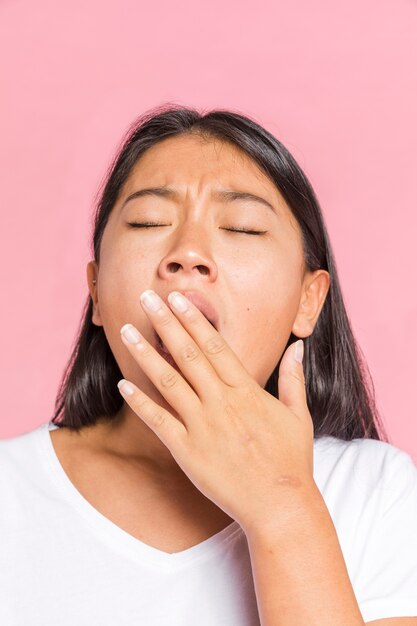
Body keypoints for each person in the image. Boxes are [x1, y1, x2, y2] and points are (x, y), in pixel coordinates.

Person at [1, 104, 416, 626]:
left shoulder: (373, 491)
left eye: (242, 228)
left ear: (308, 302)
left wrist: (282, 506)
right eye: (148, 221)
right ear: (97, 294)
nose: (187, 253)